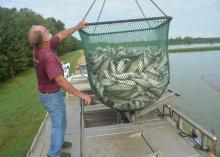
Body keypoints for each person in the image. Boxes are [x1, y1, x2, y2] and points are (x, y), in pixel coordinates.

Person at [28, 21, 92, 157]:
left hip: (48, 94)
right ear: (44, 38)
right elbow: (61, 81)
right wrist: (81, 94)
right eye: (46, 31)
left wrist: (78, 27)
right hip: (51, 96)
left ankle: (59, 143)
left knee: (60, 122)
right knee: (58, 123)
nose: (49, 31)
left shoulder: (41, 47)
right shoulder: (47, 56)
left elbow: (62, 35)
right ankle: (54, 154)